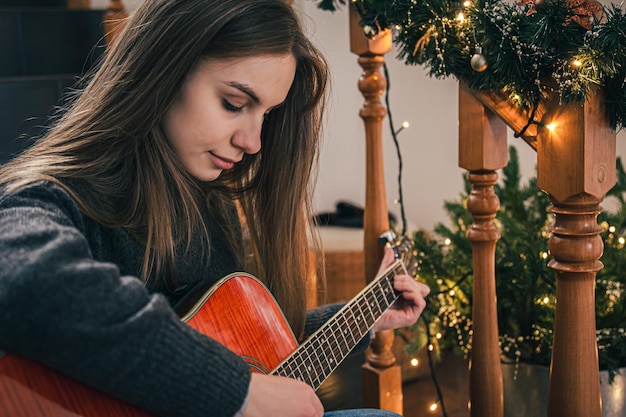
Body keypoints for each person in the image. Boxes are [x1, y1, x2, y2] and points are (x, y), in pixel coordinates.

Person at [0, 0, 430, 416]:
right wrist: (237, 390)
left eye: (266, 114)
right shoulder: (57, 194)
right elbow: (22, 276)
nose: (254, 142)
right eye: (234, 104)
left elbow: (234, 346)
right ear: (164, 69)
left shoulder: (208, 200)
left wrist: (362, 317)